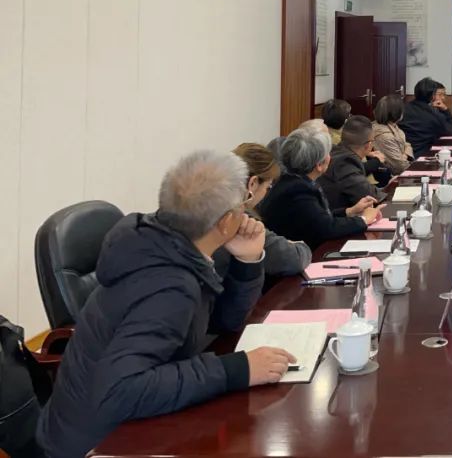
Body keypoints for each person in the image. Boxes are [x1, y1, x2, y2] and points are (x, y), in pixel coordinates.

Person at [38, 151, 296, 458]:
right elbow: (121, 390)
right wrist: (237, 369)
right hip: (99, 442)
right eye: (244, 201)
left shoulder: (164, 242)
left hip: (109, 420)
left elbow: (224, 321)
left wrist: (247, 261)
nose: (247, 210)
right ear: (226, 222)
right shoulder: (169, 284)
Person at [258, 125, 381, 250]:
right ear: (319, 165)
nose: (330, 157)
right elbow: (326, 228)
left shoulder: (293, 181)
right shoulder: (298, 190)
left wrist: (350, 211)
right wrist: (364, 219)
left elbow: (318, 218)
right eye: (328, 153)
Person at [215, 143, 311, 277]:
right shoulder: (240, 219)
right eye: (268, 187)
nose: (266, 193)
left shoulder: (211, 206)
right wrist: (299, 245)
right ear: (253, 183)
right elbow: (296, 259)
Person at [319, 116, 384, 210]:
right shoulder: (346, 162)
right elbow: (370, 196)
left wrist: (385, 188)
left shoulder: (335, 151)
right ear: (368, 145)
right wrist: (391, 189)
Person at [400, 77, 452, 157]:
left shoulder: (404, 108)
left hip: (403, 153)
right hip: (422, 155)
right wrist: (446, 111)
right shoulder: (432, 114)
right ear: (432, 96)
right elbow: (450, 131)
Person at [372, 94, 415, 174]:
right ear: (397, 112)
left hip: (401, 168)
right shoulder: (384, 135)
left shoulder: (393, 126)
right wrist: (406, 155)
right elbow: (400, 167)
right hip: (392, 176)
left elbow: (407, 145)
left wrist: (405, 155)